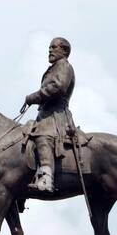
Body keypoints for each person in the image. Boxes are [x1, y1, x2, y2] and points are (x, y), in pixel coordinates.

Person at [22, 37, 76, 193]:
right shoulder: (53, 68)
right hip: (45, 115)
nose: (50, 50)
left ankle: (45, 180)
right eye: (49, 47)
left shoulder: (64, 66)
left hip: (56, 116)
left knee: (42, 137)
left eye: (54, 47)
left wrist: (33, 97)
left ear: (64, 50)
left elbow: (57, 88)